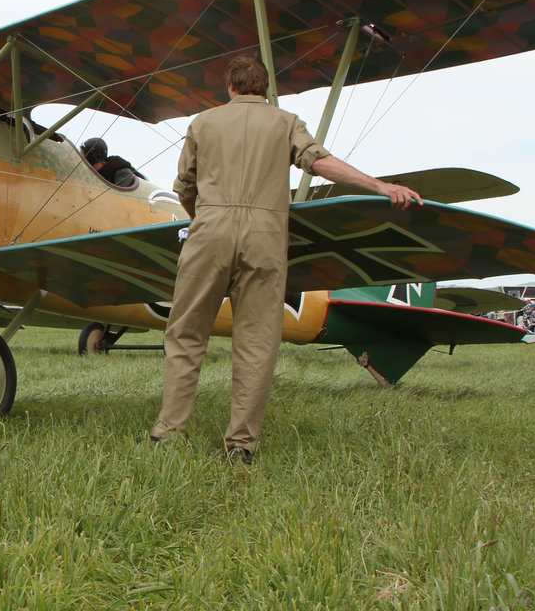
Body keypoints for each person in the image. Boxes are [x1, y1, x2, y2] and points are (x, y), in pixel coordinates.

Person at [148, 55, 422, 464]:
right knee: (256, 343)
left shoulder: (203, 123)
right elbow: (321, 163)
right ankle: (240, 445)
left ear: (231, 87)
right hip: (265, 239)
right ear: (264, 89)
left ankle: (168, 434)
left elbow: (185, 187)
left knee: (186, 334)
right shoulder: (286, 121)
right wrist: (379, 186)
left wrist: (203, 218)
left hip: (208, 234)